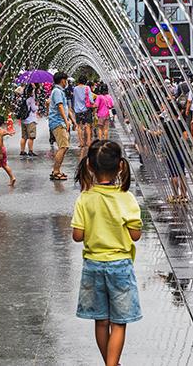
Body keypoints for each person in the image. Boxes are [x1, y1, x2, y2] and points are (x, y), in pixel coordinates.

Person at [71, 140, 142, 366]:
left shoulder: (85, 198)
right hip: (119, 265)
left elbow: (77, 236)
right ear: (120, 166)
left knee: (101, 321)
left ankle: (110, 363)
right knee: (119, 323)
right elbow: (135, 235)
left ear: (90, 167)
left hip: (93, 264)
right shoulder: (126, 198)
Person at [49, 72, 72, 181]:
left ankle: (57, 170)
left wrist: (72, 120)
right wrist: (66, 120)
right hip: (58, 122)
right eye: (66, 80)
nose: (66, 82)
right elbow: (60, 106)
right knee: (63, 147)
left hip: (60, 122)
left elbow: (66, 108)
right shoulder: (57, 91)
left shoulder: (59, 91)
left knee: (64, 147)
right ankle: (56, 171)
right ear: (62, 80)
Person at [73, 76, 94, 148]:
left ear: (78, 81)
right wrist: (93, 103)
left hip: (77, 110)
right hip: (86, 109)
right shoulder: (87, 88)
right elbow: (91, 99)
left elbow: (74, 98)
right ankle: (88, 141)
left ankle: (81, 142)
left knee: (79, 126)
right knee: (87, 126)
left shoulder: (75, 88)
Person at [18, 85, 38, 157]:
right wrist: (37, 106)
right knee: (31, 137)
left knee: (24, 137)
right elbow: (33, 109)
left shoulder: (22, 98)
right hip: (30, 120)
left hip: (24, 120)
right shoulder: (31, 99)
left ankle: (22, 151)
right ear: (30, 91)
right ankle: (30, 151)